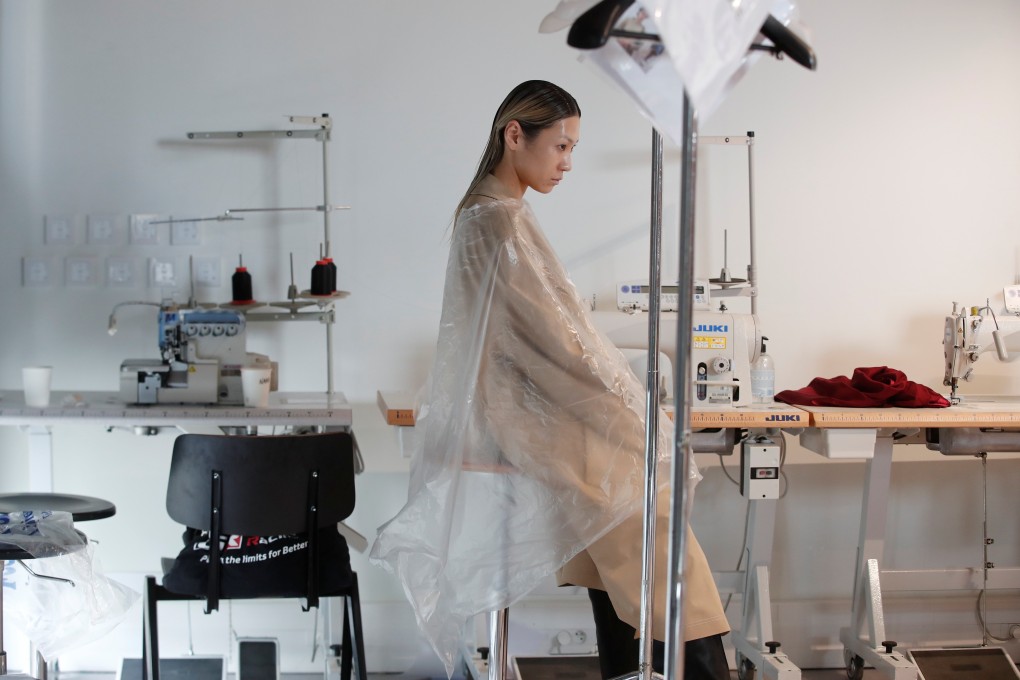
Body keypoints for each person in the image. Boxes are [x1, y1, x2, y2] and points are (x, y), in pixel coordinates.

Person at [370, 80, 730, 679]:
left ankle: (641, 660)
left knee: (623, 524)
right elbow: (551, 344)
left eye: (573, 149)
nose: (566, 163)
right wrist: (630, 409)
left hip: (531, 407)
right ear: (516, 135)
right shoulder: (495, 221)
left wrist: (626, 401)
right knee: (649, 511)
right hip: (521, 415)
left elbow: (558, 336)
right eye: (560, 146)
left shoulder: (499, 213)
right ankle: (695, 668)